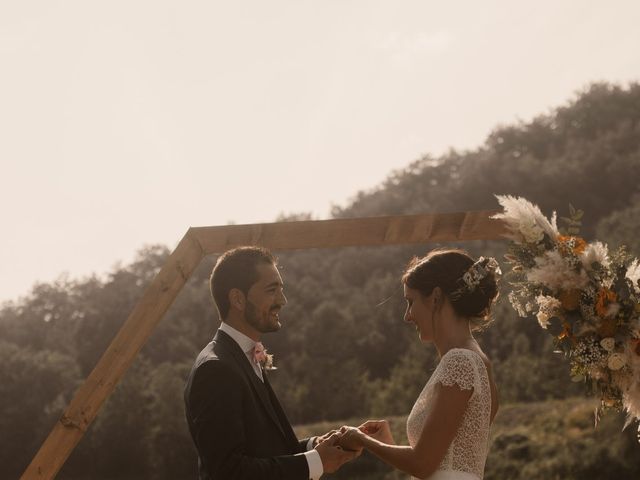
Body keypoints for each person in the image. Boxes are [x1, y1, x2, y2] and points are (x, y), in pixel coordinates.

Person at [184, 246, 356, 479]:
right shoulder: (215, 370)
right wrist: (315, 463)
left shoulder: (241, 356)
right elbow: (228, 472)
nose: (282, 300)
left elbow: (266, 450)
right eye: (272, 290)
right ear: (238, 299)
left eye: (281, 290)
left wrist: (315, 446)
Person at [337, 249, 501, 480]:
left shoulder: (460, 362)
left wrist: (360, 439)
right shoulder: (480, 362)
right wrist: (386, 444)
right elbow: (444, 462)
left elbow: (423, 464)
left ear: (435, 297)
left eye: (410, 302)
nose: (407, 316)